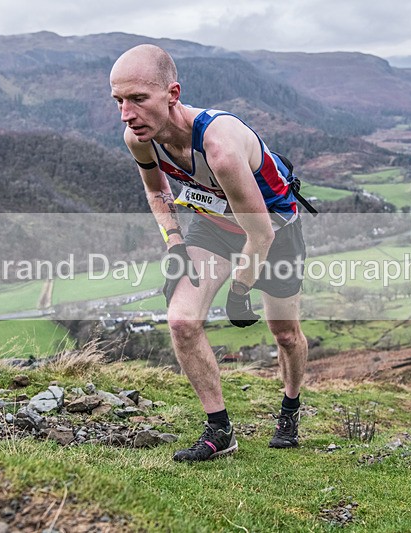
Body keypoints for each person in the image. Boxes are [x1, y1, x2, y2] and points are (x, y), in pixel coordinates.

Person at [110, 45, 309, 462]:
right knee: (182, 320)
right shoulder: (138, 137)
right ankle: (219, 430)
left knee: (285, 334)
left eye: (138, 100)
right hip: (213, 225)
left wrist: (240, 291)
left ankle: (289, 410)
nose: (127, 114)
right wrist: (175, 242)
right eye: (119, 102)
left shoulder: (219, 145)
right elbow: (155, 189)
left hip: (272, 229)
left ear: (172, 93)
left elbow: (259, 235)